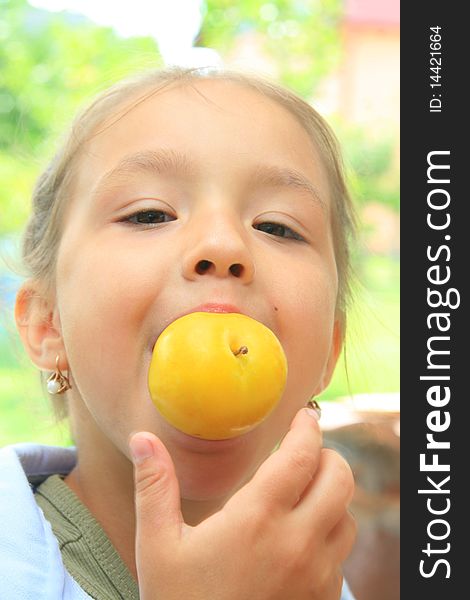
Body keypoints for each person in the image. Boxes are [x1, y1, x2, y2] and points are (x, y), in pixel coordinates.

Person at [0, 67, 357, 599]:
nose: (223, 245)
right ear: (48, 324)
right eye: (149, 214)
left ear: (327, 351)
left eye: (277, 226)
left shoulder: (316, 582)